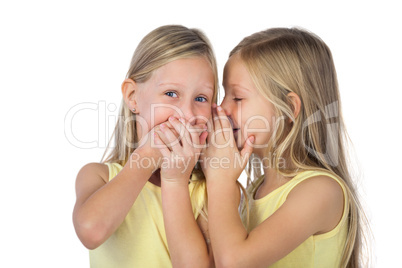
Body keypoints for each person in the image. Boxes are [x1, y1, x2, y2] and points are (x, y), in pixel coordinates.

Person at [202, 27, 367, 267]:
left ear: (288, 109)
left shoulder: (321, 191)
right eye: (224, 95)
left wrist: (219, 178)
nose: (221, 108)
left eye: (237, 98)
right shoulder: (253, 190)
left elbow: (234, 262)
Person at [73, 25, 218, 268]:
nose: (186, 113)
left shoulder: (212, 191)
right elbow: (91, 231)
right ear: (132, 96)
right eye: (171, 93)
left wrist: (176, 180)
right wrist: (148, 153)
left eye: (201, 98)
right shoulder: (98, 176)